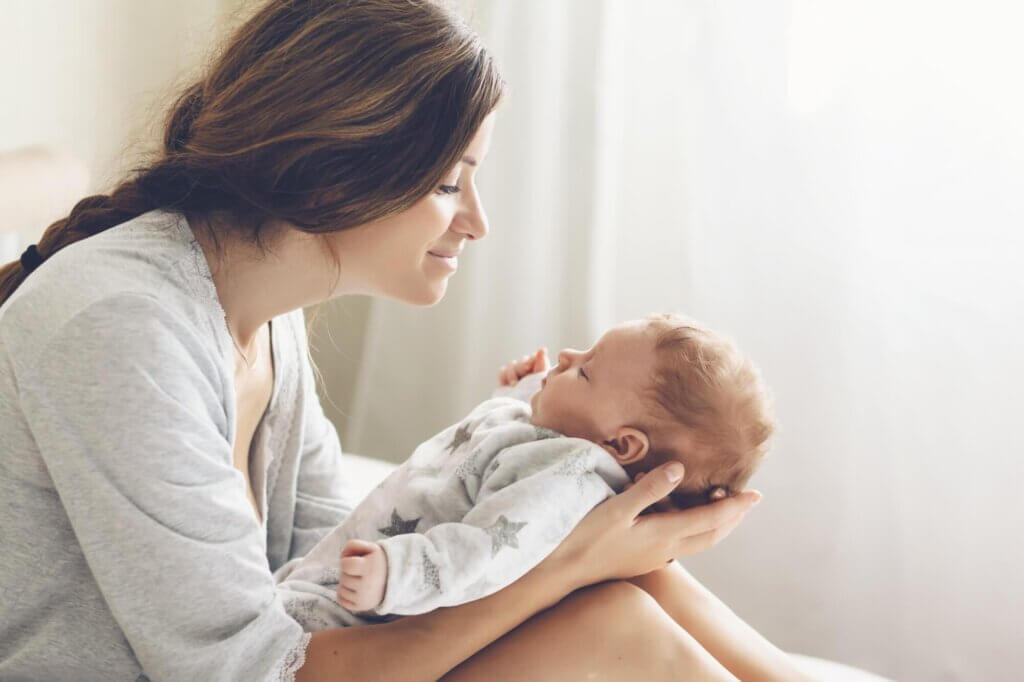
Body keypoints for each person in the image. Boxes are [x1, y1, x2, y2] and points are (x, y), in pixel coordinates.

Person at [0, 1, 815, 680]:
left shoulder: (259, 318)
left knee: (617, 594)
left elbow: (348, 559)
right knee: (611, 627)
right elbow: (254, 670)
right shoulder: (119, 324)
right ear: (336, 167)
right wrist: (570, 566)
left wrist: (568, 503)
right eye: (449, 181)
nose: (476, 221)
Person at [273, 313, 775, 630]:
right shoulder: (557, 448)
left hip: (367, 612)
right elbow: (483, 470)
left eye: (585, 371)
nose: (566, 356)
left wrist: (397, 574)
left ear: (620, 444)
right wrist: (518, 395)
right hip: (339, 583)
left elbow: (485, 549)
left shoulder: (567, 478)